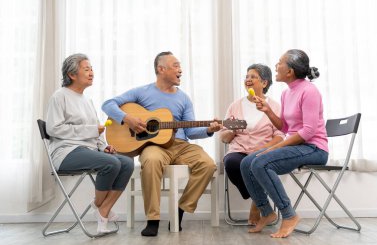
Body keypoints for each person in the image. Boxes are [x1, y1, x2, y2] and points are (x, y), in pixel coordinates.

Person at [102, 51, 222, 237]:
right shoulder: (142, 92)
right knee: (150, 161)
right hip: (155, 146)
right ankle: (153, 219)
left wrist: (209, 130)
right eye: (176, 65)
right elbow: (108, 104)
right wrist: (128, 119)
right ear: (161, 69)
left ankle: (180, 210)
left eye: (180, 66)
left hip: (181, 144)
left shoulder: (184, 98)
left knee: (208, 164)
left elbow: (190, 131)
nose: (180, 70)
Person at [240, 49, 329, 238]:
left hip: (314, 148)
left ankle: (289, 215)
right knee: (247, 162)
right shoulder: (287, 93)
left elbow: (309, 131)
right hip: (297, 145)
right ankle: (267, 212)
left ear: (290, 71)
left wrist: (276, 146)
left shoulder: (309, 91)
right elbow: (286, 126)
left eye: (280, 62)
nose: (276, 66)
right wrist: (268, 111)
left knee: (260, 162)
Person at [46, 53, 134, 234]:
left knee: (127, 162)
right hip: (65, 152)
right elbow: (54, 129)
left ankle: (102, 209)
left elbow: (96, 132)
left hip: (87, 150)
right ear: (72, 75)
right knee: (111, 163)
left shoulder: (87, 101)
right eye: (86, 69)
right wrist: (91, 130)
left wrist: (104, 146)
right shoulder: (59, 96)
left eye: (92, 69)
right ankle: (99, 207)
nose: (92, 72)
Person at [220, 63, 284, 225]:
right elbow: (224, 138)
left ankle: (257, 205)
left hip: (263, 151)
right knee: (231, 162)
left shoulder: (274, 106)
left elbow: (280, 137)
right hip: (239, 151)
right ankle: (258, 198)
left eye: (253, 77)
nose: (248, 79)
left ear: (264, 83)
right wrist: (233, 130)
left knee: (257, 164)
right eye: (246, 76)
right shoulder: (235, 106)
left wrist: (262, 148)